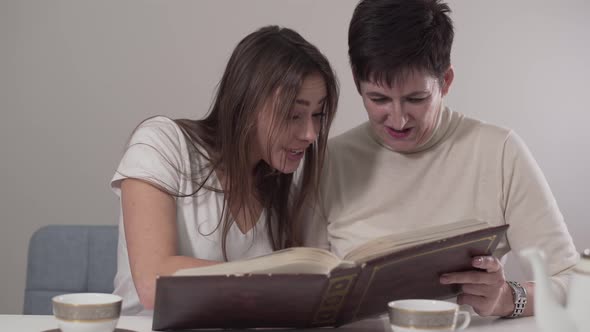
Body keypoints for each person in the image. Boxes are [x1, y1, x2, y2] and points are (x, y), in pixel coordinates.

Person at [306, 0, 578, 318]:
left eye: (416, 99)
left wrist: (507, 298)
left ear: (445, 82)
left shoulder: (499, 152)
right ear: (356, 82)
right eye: (378, 98)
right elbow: (304, 284)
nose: (397, 120)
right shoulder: (328, 162)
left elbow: (576, 284)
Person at [110, 25, 339, 315]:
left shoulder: (285, 195)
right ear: (248, 103)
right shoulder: (161, 144)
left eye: (317, 115)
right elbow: (154, 283)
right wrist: (278, 283)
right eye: (293, 114)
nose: (310, 133)